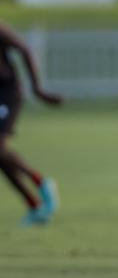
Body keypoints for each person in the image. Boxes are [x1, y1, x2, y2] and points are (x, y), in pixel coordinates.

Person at [0, 22, 62, 226]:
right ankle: (34, 207)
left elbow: (24, 49)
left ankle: (40, 182)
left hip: (6, 93)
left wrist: (37, 90)